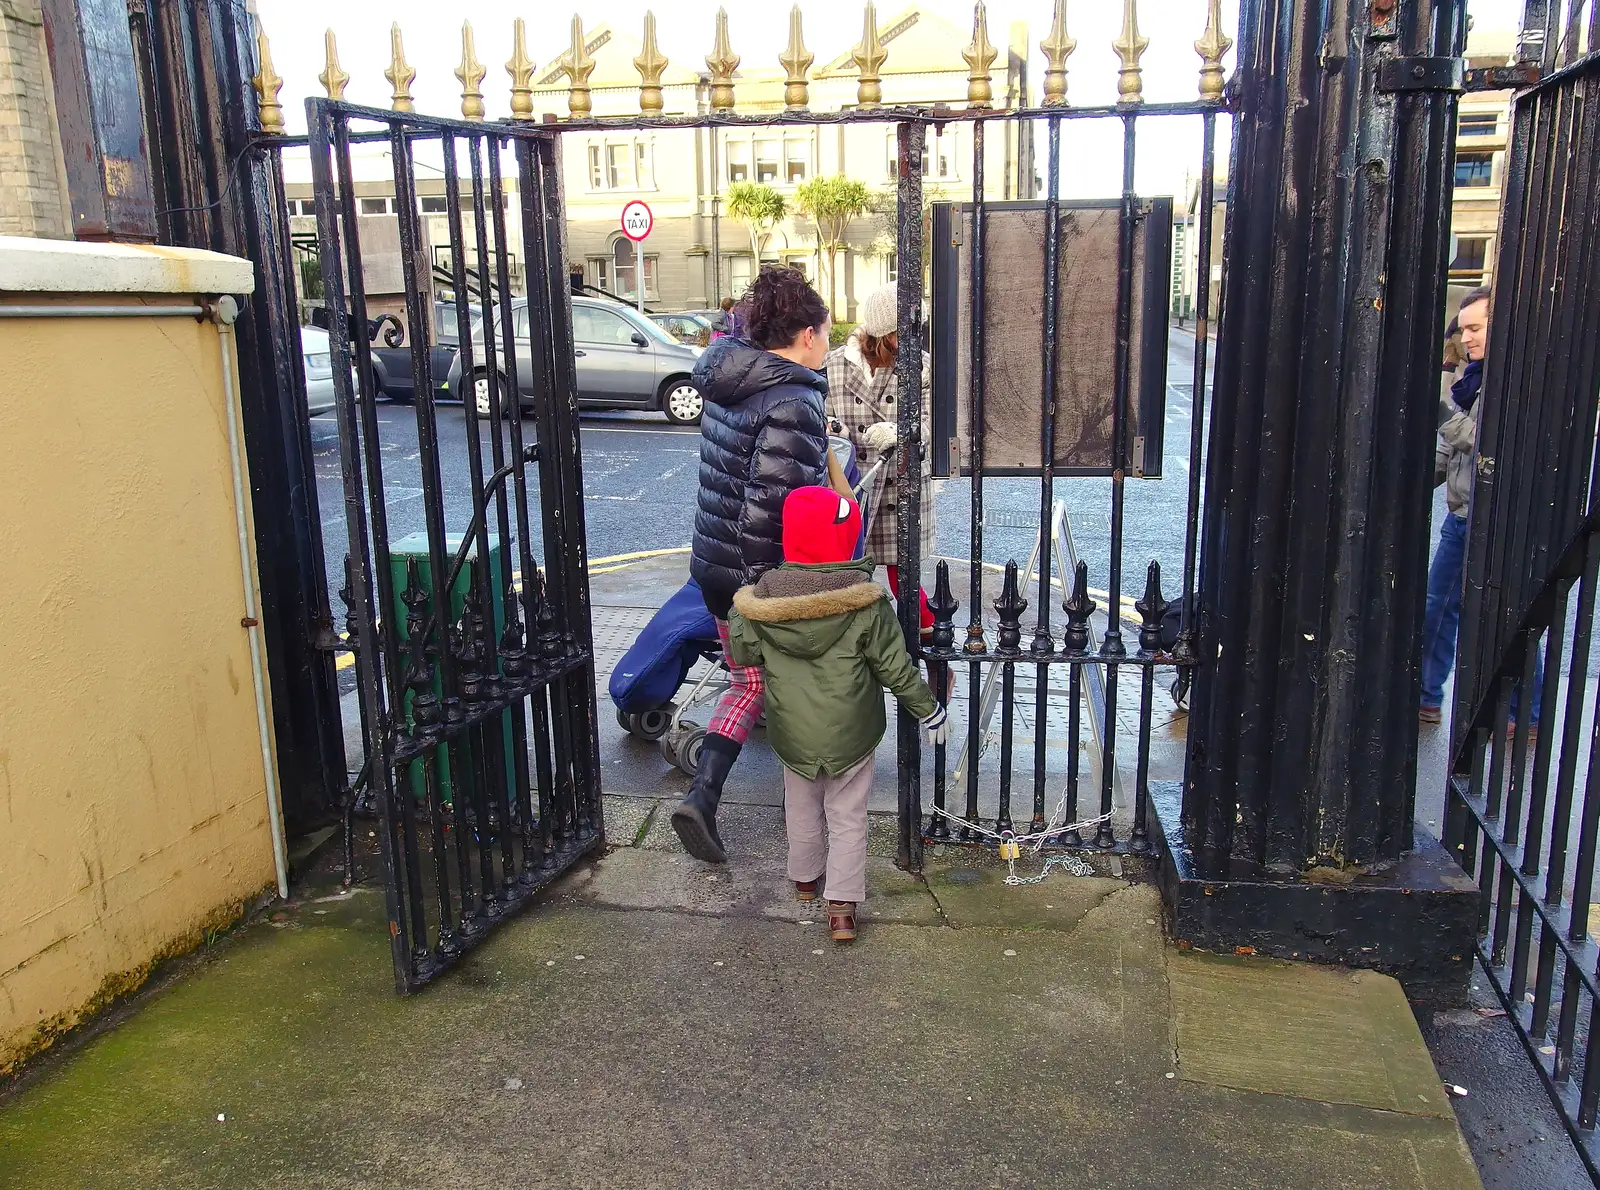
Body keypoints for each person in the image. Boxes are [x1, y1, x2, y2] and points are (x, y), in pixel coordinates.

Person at [728, 486, 948, 943]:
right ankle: (842, 907)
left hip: (791, 727)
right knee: (847, 814)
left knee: (802, 805)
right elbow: (894, 668)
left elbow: (746, 652)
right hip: (852, 727)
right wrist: (929, 710)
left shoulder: (761, 602)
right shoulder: (865, 602)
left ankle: (806, 879)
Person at [672, 265, 835, 864]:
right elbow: (785, 509)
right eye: (823, 333)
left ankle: (704, 796)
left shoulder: (729, 378)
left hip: (714, 563)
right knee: (790, 686)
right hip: (760, 577)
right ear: (804, 336)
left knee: (747, 683)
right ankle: (787, 815)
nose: (827, 345)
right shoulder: (794, 399)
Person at [1420, 287, 1543, 735]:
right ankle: (1426, 697)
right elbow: (1450, 448)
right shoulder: (1475, 379)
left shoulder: (1520, 381)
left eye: (1475, 328)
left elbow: (1488, 442)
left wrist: (1438, 412)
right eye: (1464, 328)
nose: (1466, 337)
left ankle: (1524, 713)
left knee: (1504, 612)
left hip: (1499, 514)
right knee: (1444, 606)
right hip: (1464, 514)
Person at [824, 284, 935, 635]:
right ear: (882, 334)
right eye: (903, 333)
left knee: (904, 577)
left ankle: (927, 648)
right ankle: (860, 653)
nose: (912, 340)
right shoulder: (834, 365)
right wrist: (836, 431)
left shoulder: (920, 366)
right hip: (853, 484)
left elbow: (935, 421)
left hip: (900, 484)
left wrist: (903, 432)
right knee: (849, 577)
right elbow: (820, 419)